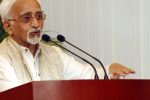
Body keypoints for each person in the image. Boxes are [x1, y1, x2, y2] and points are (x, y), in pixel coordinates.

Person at [0, 0, 135, 92]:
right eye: (26, 18)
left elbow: (86, 75)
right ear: (8, 26)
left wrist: (109, 70)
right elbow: (13, 95)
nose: (36, 24)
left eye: (39, 16)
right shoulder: (2, 56)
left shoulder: (54, 53)